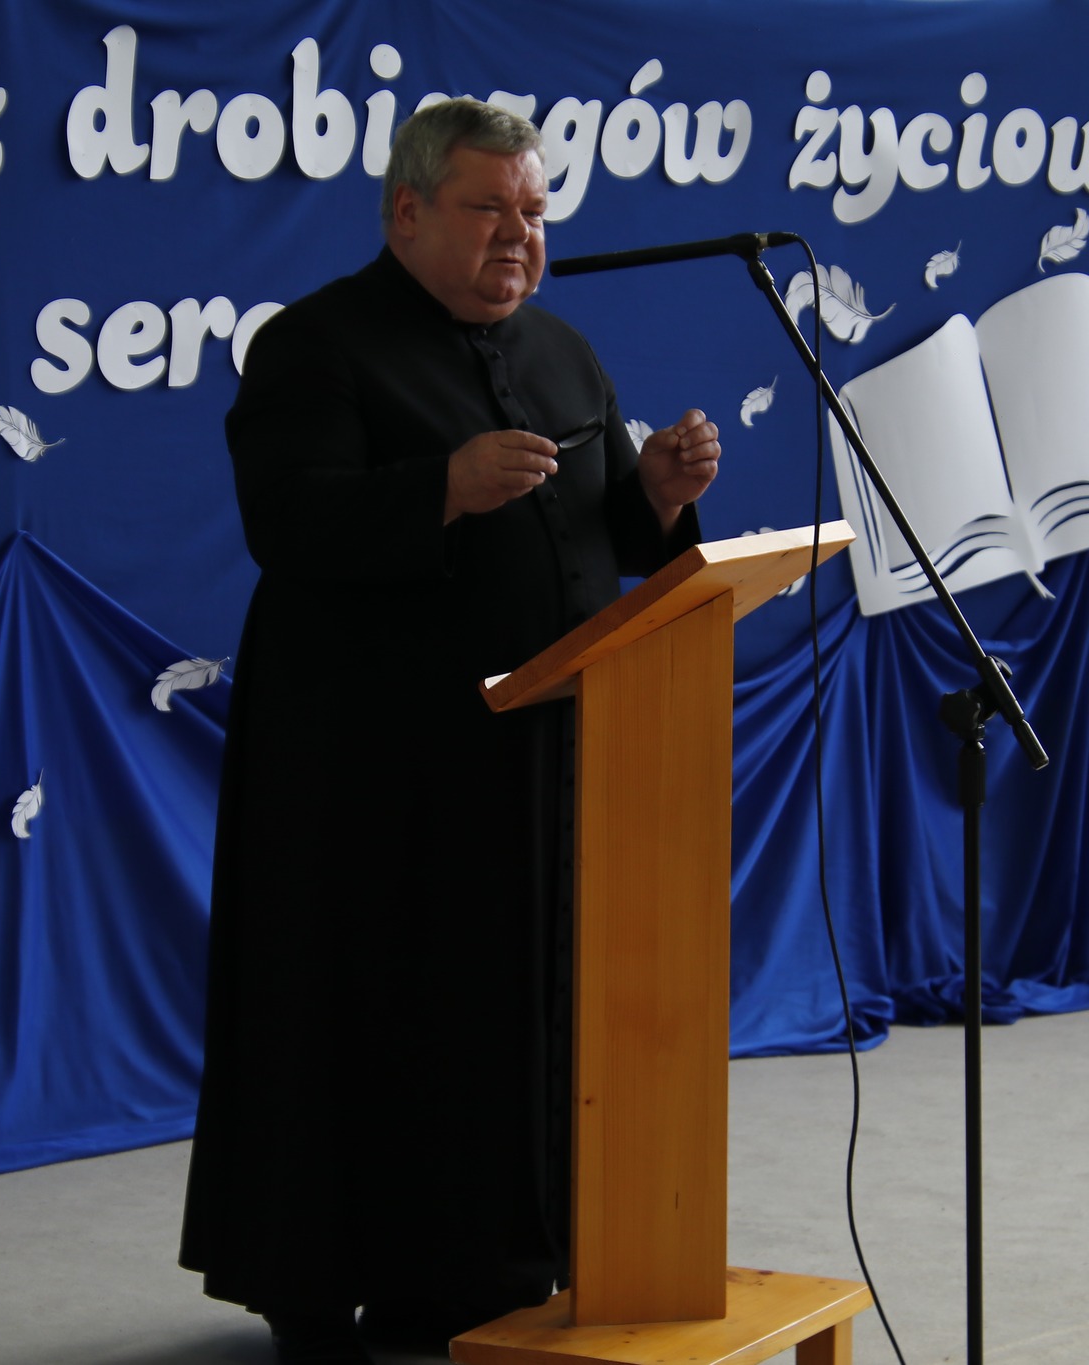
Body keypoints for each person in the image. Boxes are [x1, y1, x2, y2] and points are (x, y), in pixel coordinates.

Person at [179, 97, 723, 1365]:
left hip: (535, 767)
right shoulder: (314, 347)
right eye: (488, 210)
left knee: (500, 1024)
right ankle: (317, 1293)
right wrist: (441, 488)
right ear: (407, 211)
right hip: (364, 772)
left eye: (532, 212)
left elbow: (589, 539)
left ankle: (474, 1274)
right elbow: (284, 523)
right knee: (355, 1023)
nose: (517, 238)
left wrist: (653, 499)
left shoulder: (563, 352)